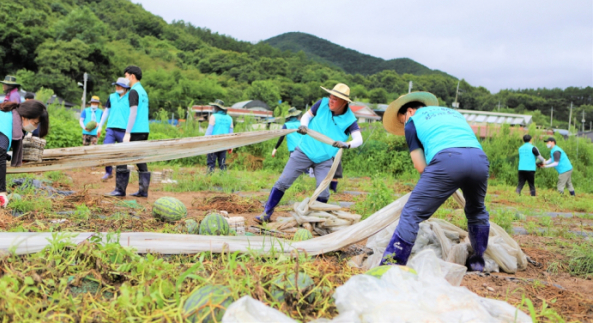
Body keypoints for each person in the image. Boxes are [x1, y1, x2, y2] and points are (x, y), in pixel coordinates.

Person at [380, 92, 490, 271]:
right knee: (477, 210)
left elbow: (421, 166)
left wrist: (436, 181)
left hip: (448, 160)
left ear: (409, 111)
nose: (403, 124)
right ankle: (478, 262)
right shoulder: (453, 114)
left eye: (402, 120)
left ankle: (392, 265)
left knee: (412, 212)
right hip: (479, 159)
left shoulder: (412, 122)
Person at [255, 83, 363, 223]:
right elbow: (307, 116)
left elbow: (358, 139)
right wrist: (304, 126)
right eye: (331, 96)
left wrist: (347, 144)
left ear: (344, 102)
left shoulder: (349, 119)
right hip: (304, 150)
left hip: (324, 158)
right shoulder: (322, 104)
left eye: (335, 99)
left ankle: (317, 220)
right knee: (283, 182)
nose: (331, 100)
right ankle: (266, 214)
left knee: (323, 191)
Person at [0, 100, 49, 208]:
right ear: (24, 117)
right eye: (35, 123)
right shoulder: (4, 126)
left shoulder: (8, 115)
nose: (36, 127)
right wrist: (2, 192)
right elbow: (0, 161)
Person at [108, 66, 150, 197]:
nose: (125, 79)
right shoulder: (143, 91)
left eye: (126, 76)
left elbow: (133, 113)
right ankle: (143, 191)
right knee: (140, 159)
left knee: (121, 157)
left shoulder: (133, 91)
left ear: (132, 76)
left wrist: (127, 132)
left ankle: (120, 190)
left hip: (135, 130)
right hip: (144, 129)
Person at [98, 77, 131, 181]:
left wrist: (130, 131)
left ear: (125, 88)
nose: (117, 87)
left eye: (119, 86)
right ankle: (108, 172)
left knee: (122, 154)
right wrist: (100, 126)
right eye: (116, 85)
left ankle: (122, 177)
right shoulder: (112, 96)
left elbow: (133, 114)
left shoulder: (130, 97)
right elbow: (106, 111)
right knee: (106, 149)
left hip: (123, 130)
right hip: (111, 128)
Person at [205, 99, 234, 173]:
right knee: (222, 163)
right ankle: (223, 178)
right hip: (224, 144)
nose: (213, 108)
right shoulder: (230, 118)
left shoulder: (213, 116)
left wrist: (205, 143)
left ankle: (209, 178)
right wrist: (231, 145)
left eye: (213, 107)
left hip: (213, 144)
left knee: (211, 162)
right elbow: (231, 133)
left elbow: (209, 131)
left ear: (217, 108)